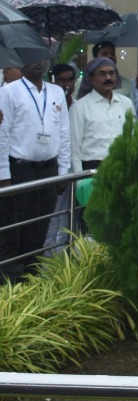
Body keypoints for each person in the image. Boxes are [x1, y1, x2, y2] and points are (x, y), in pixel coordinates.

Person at [0, 57, 72, 279]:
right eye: (31, 58)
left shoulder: (56, 92)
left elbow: (64, 133)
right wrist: (3, 175)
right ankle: (10, 283)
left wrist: (63, 172)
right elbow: (2, 135)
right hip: (19, 170)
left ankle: (32, 280)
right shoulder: (9, 91)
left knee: (39, 228)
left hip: (49, 170)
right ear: (21, 62)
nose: (38, 63)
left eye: (41, 58)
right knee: (13, 230)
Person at [69, 58, 135, 172]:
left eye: (111, 73)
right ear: (91, 79)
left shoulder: (126, 103)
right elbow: (74, 148)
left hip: (122, 167)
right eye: (102, 74)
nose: (108, 78)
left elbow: (132, 138)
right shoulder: (80, 107)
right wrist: (79, 179)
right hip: (92, 169)